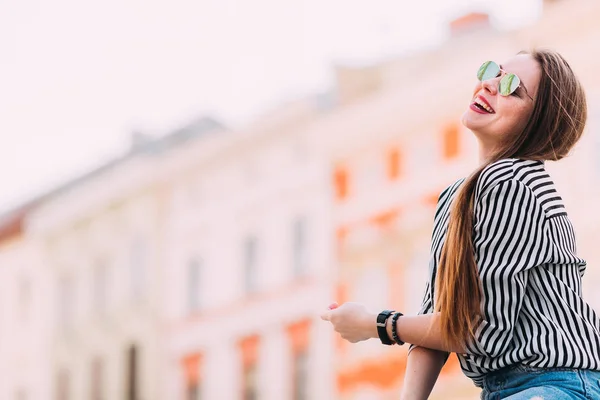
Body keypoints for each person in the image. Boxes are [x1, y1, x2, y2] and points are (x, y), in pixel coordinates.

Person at [320, 49, 600, 400]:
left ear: (538, 120)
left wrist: (376, 324)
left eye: (512, 87)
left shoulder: (512, 182)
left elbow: (482, 331)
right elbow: (435, 321)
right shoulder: (457, 195)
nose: (489, 84)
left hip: (556, 384)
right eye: (493, 72)